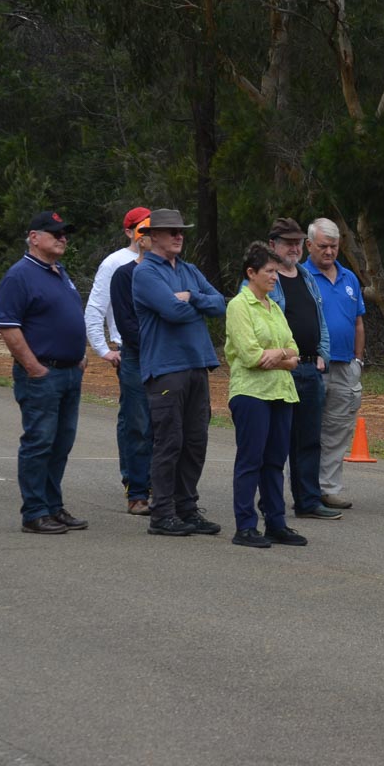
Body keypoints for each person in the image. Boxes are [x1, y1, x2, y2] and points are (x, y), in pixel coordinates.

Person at [132, 208, 226, 538]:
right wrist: (192, 306)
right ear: (152, 236)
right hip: (166, 368)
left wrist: (192, 297)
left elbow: (220, 304)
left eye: (181, 231)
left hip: (197, 364)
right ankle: (163, 513)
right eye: (171, 231)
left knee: (195, 442)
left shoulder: (189, 270)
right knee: (169, 442)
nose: (178, 236)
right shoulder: (145, 274)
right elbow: (172, 311)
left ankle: (187, 508)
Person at [0, 211, 89, 534]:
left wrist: (80, 355)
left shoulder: (59, 271)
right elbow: (8, 326)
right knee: (39, 441)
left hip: (69, 373)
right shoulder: (19, 276)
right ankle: (34, 512)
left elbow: (70, 316)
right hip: (42, 375)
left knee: (62, 442)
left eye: (64, 233)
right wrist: (33, 367)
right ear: (34, 237)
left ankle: (52, 505)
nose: (62, 238)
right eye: (55, 233)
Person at [225, 243, 308, 549]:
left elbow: (295, 351)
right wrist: (278, 356)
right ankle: (245, 526)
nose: (275, 277)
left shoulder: (274, 306)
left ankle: (276, 522)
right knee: (251, 459)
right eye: (269, 272)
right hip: (251, 393)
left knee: (275, 461)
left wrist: (280, 355)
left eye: (276, 271)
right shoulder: (239, 306)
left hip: (281, 393)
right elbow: (249, 356)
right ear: (251, 273)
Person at [261, 218, 338, 520]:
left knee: (308, 439)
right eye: (286, 242)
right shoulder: (264, 279)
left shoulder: (306, 276)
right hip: (280, 370)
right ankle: (270, 502)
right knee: (276, 440)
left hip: (309, 370)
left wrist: (323, 354)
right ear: (273, 245)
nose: (293, 248)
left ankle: (308, 501)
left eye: (296, 242)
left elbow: (320, 320)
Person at [84, 206, 149, 503]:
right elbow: (96, 307)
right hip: (129, 350)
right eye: (141, 227)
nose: (146, 232)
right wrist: (103, 349)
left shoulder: (162, 260)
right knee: (134, 419)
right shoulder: (115, 263)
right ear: (128, 231)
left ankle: (155, 481)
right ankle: (134, 482)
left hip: (162, 352)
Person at [302, 218, 364, 511]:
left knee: (338, 428)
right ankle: (306, 488)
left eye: (334, 246)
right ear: (309, 245)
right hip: (313, 365)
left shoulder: (349, 278)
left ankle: (329, 488)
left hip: (345, 365)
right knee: (308, 429)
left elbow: (358, 321)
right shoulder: (300, 275)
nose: (329, 252)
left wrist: (358, 360)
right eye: (323, 246)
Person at [108, 216, 154, 515]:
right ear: (138, 239)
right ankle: (137, 492)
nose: (151, 237)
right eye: (146, 233)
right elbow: (126, 324)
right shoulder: (124, 274)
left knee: (172, 429)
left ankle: (168, 490)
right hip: (138, 358)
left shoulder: (177, 274)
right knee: (138, 425)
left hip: (171, 361)